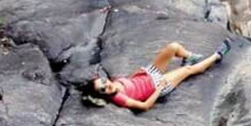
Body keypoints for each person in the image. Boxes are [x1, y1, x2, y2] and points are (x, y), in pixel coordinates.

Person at [85, 39, 231, 112]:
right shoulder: (119, 98)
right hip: (157, 85)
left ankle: (189, 56)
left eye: (103, 82)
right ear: (103, 95)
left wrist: (138, 73)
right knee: (187, 70)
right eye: (103, 89)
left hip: (149, 74)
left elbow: (131, 83)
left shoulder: (114, 82)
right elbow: (144, 106)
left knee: (173, 47)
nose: (107, 85)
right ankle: (217, 56)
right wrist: (158, 90)